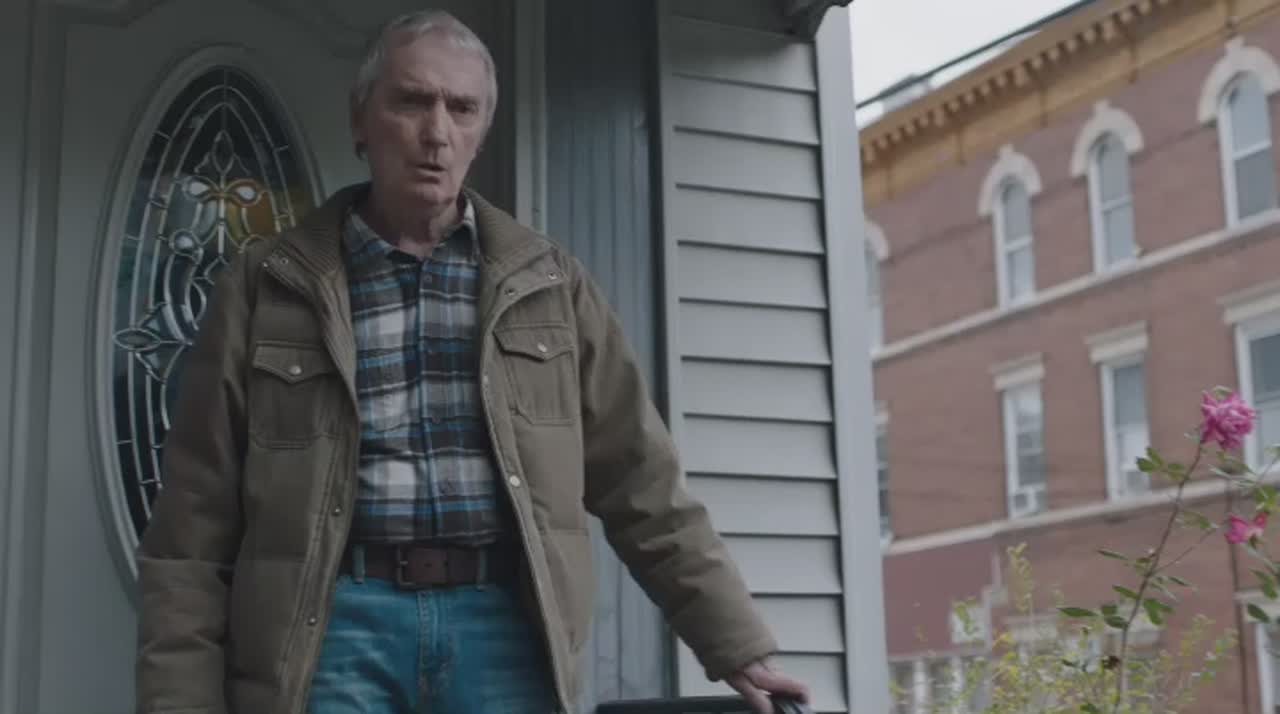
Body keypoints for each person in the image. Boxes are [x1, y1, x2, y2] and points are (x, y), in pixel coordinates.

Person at [134, 9, 809, 714]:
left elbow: (644, 481)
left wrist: (737, 646)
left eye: (462, 109)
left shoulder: (550, 284)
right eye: (411, 102)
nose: (437, 133)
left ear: (482, 132)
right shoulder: (267, 285)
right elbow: (192, 524)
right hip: (331, 629)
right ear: (361, 121)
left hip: (503, 629)